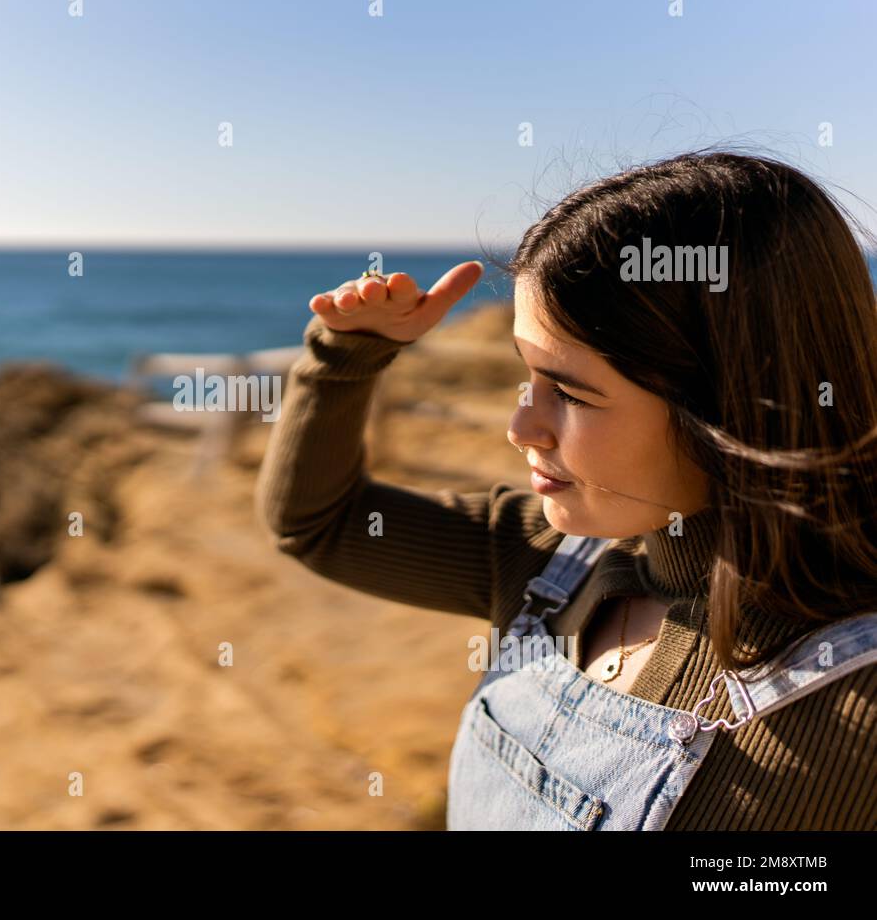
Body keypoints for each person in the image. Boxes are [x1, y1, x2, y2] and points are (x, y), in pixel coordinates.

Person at [254, 150, 877, 829]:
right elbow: (318, 523)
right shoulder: (548, 559)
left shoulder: (856, 700)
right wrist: (347, 356)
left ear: (730, 402)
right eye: (527, 377)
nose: (522, 427)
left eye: (572, 393)